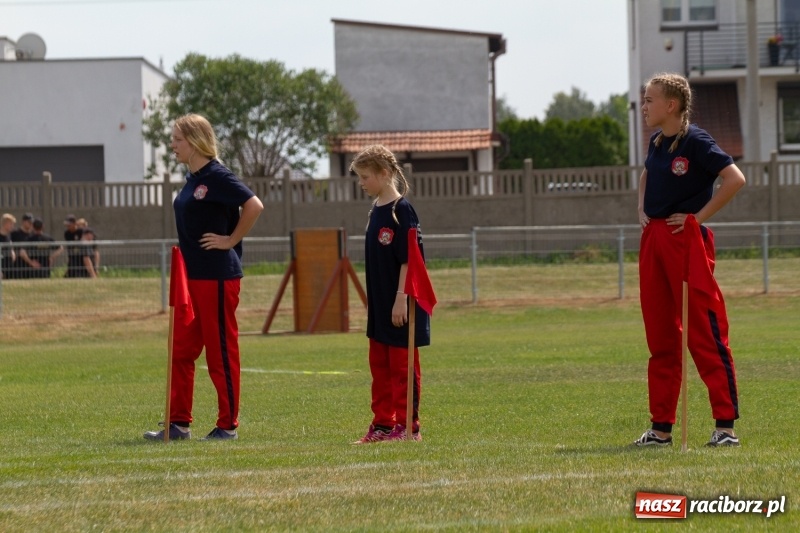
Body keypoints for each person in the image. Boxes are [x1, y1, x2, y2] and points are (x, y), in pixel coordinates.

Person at [634, 72, 746, 448]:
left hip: (685, 242)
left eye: (650, 100)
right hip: (654, 240)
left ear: (672, 105)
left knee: (704, 332)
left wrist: (699, 217)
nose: (644, 106)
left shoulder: (696, 141)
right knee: (661, 336)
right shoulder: (656, 141)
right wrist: (641, 208)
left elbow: (735, 179)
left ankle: (725, 427)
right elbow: (647, 174)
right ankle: (661, 429)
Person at [144, 113, 263, 442]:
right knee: (181, 349)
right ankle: (178, 424)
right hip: (192, 278)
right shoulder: (191, 179)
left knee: (220, 352)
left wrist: (230, 240)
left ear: (196, 141)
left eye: (177, 139)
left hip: (218, 277)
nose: (172, 145)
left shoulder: (217, 175)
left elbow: (254, 205)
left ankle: (228, 426)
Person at [350, 144, 430, 444]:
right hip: (379, 306)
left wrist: (401, 298)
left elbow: (410, 260)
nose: (362, 183)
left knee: (402, 367)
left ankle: (409, 428)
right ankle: (383, 425)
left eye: (366, 177)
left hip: (401, 304)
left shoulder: (402, 211)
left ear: (384, 175)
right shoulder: (375, 211)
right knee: (380, 368)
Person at [9, 213, 34, 279]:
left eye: (31, 222)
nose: (31, 224)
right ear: (23, 222)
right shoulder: (15, 233)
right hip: (18, 264)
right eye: (29, 222)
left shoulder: (32, 234)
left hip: (30, 265)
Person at [0, 213, 15, 279]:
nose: (12, 226)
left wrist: (12, 252)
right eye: (11, 224)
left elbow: (10, 244)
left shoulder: (8, 235)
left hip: (8, 265)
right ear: (5, 224)